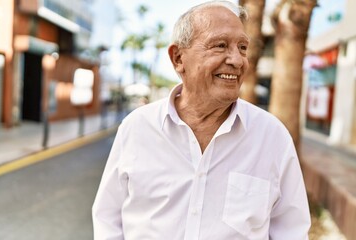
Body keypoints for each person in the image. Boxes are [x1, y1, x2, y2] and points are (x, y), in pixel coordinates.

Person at [92, 1, 311, 239]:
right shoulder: (137, 127)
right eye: (220, 45)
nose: (237, 60)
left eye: (243, 47)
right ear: (178, 58)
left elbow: (292, 231)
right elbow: (108, 219)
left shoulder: (272, 136)